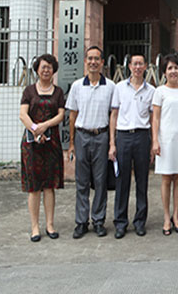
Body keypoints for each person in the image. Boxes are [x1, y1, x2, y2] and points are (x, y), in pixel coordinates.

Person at [66, 46, 115, 239]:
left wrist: (112, 142)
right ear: (85, 61)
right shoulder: (77, 86)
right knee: (82, 182)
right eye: (90, 59)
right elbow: (72, 116)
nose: (93, 62)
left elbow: (113, 115)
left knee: (101, 181)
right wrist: (71, 143)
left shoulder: (110, 86)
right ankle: (81, 222)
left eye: (97, 59)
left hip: (101, 136)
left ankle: (99, 220)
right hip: (82, 136)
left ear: (102, 62)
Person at [19, 54, 65, 242]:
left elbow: (61, 115)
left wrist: (45, 126)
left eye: (49, 67)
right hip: (32, 144)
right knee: (34, 187)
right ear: (37, 69)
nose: (46, 70)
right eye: (43, 67)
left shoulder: (58, 92)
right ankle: (35, 227)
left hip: (51, 143)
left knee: (49, 186)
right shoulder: (29, 91)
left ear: (54, 70)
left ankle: (50, 225)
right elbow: (23, 114)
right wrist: (35, 129)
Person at [109, 53, 155, 239]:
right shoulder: (119, 88)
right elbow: (114, 115)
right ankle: (120, 222)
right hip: (123, 137)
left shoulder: (151, 90)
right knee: (122, 181)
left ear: (145, 66)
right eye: (134, 64)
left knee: (142, 181)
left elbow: (153, 118)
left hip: (142, 137)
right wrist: (112, 143)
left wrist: (153, 143)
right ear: (129, 66)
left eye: (140, 64)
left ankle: (140, 221)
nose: (137, 67)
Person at [152, 53, 178, 236]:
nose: (173, 71)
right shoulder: (159, 91)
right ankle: (166, 217)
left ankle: (176, 216)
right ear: (164, 72)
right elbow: (155, 118)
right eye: (170, 68)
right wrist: (155, 140)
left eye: (176, 68)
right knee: (166, 178)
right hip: (165, 140)